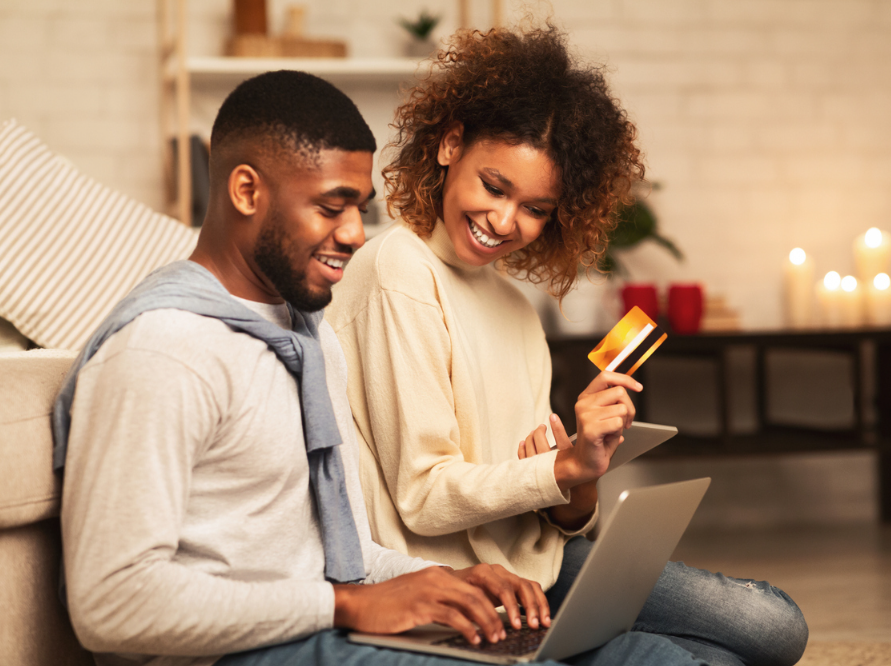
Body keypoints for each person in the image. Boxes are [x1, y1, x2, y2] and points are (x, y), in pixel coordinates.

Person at [54, 70, 709, 666]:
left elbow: (339, 549)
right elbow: (111, 608)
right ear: (247, 190)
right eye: (331, 206)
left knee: (659, 660)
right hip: (249, 650)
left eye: (358, 208)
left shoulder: (308, 341)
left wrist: (441, 586)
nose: (355, 234)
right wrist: (344, 606)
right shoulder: (164, 352)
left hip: (323, 623)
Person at [327, 26, 809, 666]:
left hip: (544, 565)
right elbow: (423, 496)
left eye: (535, 208)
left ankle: (584, 644)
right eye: (494, 187)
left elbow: (543, 507)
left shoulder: (516, 309)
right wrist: (559, 471)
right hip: (451, 576)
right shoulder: (399, 270)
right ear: (449, 145)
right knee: (721, 648)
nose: (505, 222)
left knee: (775, 628)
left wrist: (579, 483)